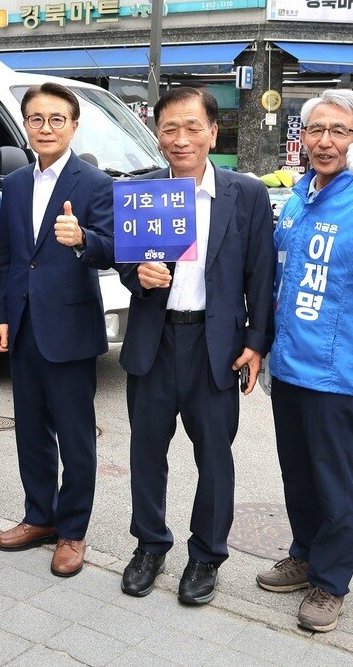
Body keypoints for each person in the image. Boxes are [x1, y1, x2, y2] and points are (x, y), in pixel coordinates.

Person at [256, 91, 353, 632]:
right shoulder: (300, 196)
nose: (325, 141)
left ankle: (330, 582)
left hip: (337, 368)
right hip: (290, 362)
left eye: (340, 131)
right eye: (316, 130)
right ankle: (304, 553)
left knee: (332, 480)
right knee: (297, 474)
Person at [115, 86, 274, 606]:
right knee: (146, 451)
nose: (180, 139)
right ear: (157, 135)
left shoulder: (243, 194)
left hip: (215, 344)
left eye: (191, 128)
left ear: (213, 132)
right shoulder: (143, 190)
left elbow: (260, 273)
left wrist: (255, 343)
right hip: (153, 342)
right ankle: (150, 545)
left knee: (214, 455)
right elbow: (123, 265)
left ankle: (207, 555)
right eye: (169, 129)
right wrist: (139, 273)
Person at [0, 83, 115, 578]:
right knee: (31, 433)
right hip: (21, 325)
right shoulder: (15, 183)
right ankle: (39, 516)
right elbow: (6, 256)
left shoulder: (95, 183)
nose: (46, 128)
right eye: (37, 119)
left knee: (76, 436)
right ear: (26, 125)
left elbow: (112, 249)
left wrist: (83, 238)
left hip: (70, 326)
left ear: (74, 126)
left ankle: (72, 530)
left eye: (56, 119)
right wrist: (1, 314)